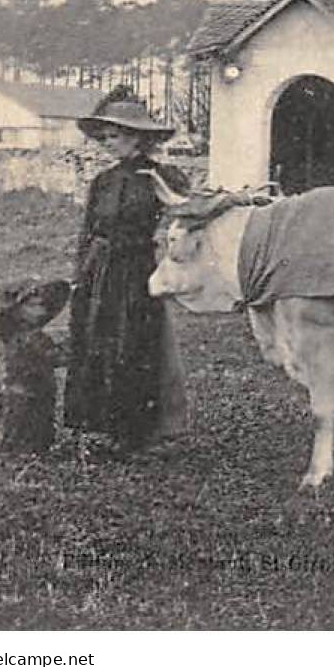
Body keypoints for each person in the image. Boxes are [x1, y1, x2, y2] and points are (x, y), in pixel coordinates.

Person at [64, 87, 192, 455]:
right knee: (97, 340)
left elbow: (183, 215)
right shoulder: (102, 181)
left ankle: (139, 432)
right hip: (99, 270)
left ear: (137, 137)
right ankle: (102, 425)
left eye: (114, 137)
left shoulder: (163, 177)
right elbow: (89, 231)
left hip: (137, 269)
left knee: (136, 343)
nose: (107, 144)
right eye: (103, 137)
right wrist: (80, 274)